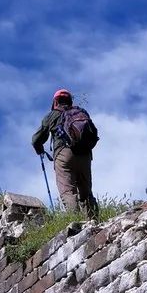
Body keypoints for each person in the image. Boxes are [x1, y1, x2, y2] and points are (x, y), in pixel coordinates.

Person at [32, 89, 99, 218]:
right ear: (70, 101)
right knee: (86, 192)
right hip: (85, 155)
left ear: (55, 102)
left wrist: (39, 150)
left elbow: (36, 139)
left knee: (68, 191)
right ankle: (94, 221)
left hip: (64, 155)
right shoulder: (82, 112)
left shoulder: (52, 115)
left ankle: (75, 223)